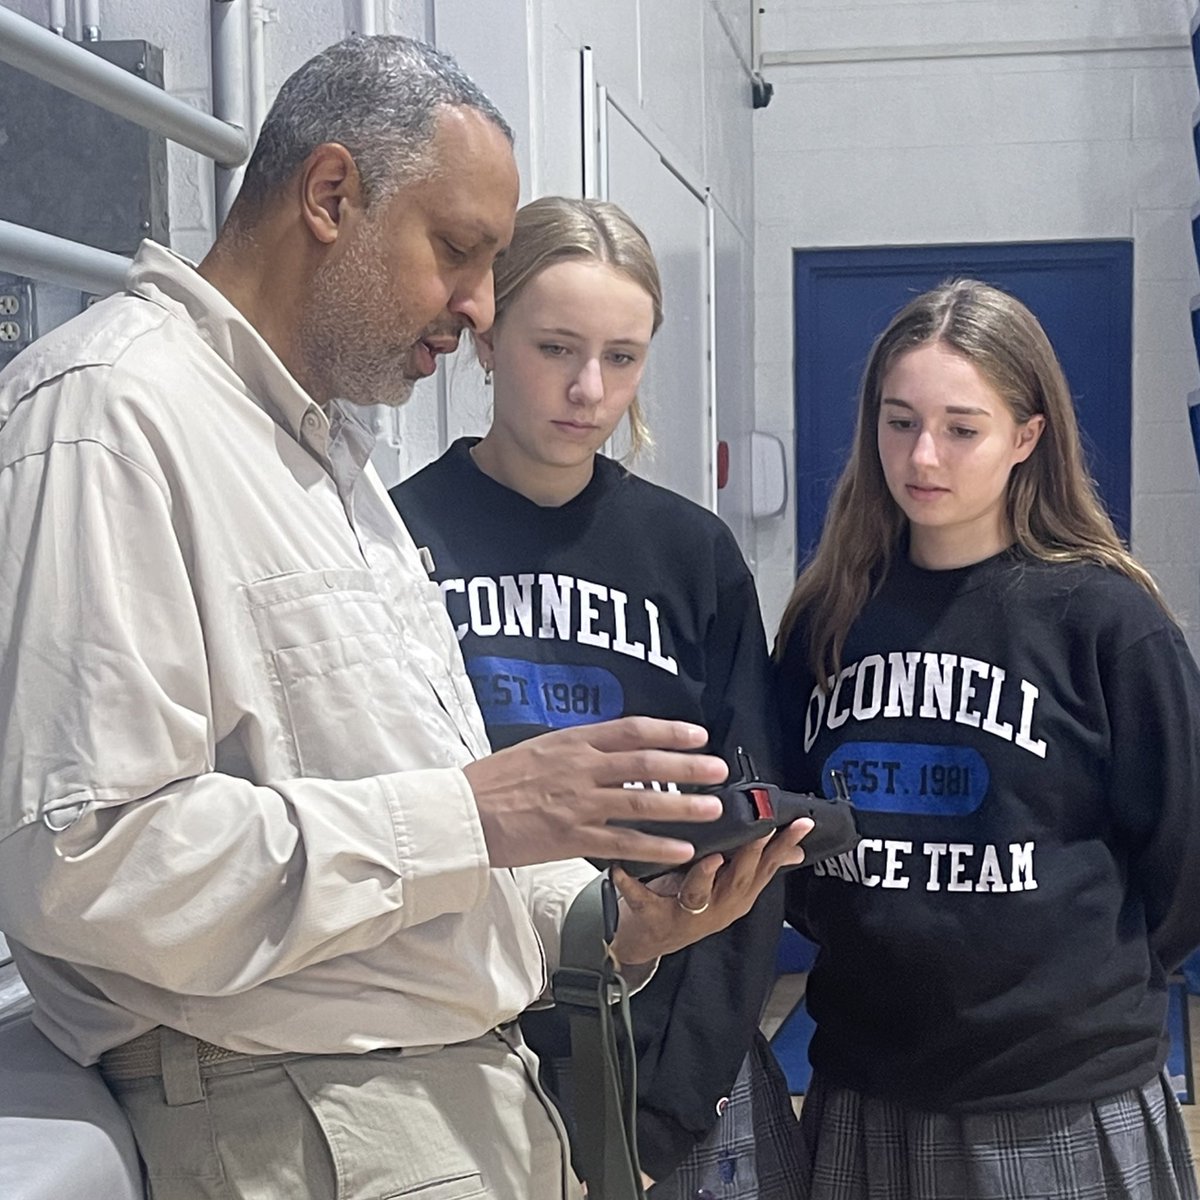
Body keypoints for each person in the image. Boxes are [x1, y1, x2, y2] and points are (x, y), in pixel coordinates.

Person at [0, 36, 810, 1200]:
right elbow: (82, 863)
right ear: (331, 196)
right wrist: (484, 809)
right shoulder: (110, 416)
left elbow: (402, 834)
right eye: (460, 253)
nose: (475, 305)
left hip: (449, 1096)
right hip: (308, 1110)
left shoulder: (330, 460)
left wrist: (609, 928)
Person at [391, 195, 803, 1199]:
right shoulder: (396, 540)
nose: (589, 388)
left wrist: (671, 1102)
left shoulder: (691, 556)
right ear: (486, 338)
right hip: (460, 1051)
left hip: (672, 1068)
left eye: (622, 357)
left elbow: (751, 833)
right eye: (556, 348)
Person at [774, 278, 1200, 1200]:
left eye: (961, 428)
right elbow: (796, 854)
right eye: (898, 422)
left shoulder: (1106, 622)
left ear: (1026, 436)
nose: (922, 455)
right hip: (863, 1087)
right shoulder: (827, 619)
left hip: (1055, 1097)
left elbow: (1181, 868)